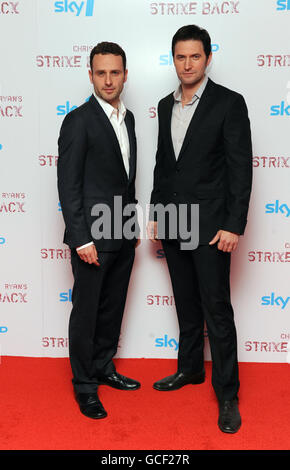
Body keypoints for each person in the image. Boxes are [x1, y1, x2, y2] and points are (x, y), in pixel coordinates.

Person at [147, 25, 252, 433]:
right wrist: (156, 213)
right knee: (187, 306)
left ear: (208, 57)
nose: (187, 64)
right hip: (173, 222)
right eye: (180, 57)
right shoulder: (163, 104)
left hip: (211, 227)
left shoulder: (229, 103)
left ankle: (227, 394)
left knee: (217, 311)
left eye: (194, 56)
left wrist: (233, 224)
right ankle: (190, 370)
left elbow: (240, 169)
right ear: (173, 60)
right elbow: (162, 164)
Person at [57, 42, 140, 420]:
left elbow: (125, 180)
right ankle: (85, 386)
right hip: (92, 236)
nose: (109, 80)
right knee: (87, 312)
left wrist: (131, 226)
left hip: (122, 231)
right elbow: (68, 185)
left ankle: (104, 367)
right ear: (90, 75)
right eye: (101, 72)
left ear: (125, 74)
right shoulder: (78, 120)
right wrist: (81, 237)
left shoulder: (130, 118)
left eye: (115, 72)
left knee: (112, 308)